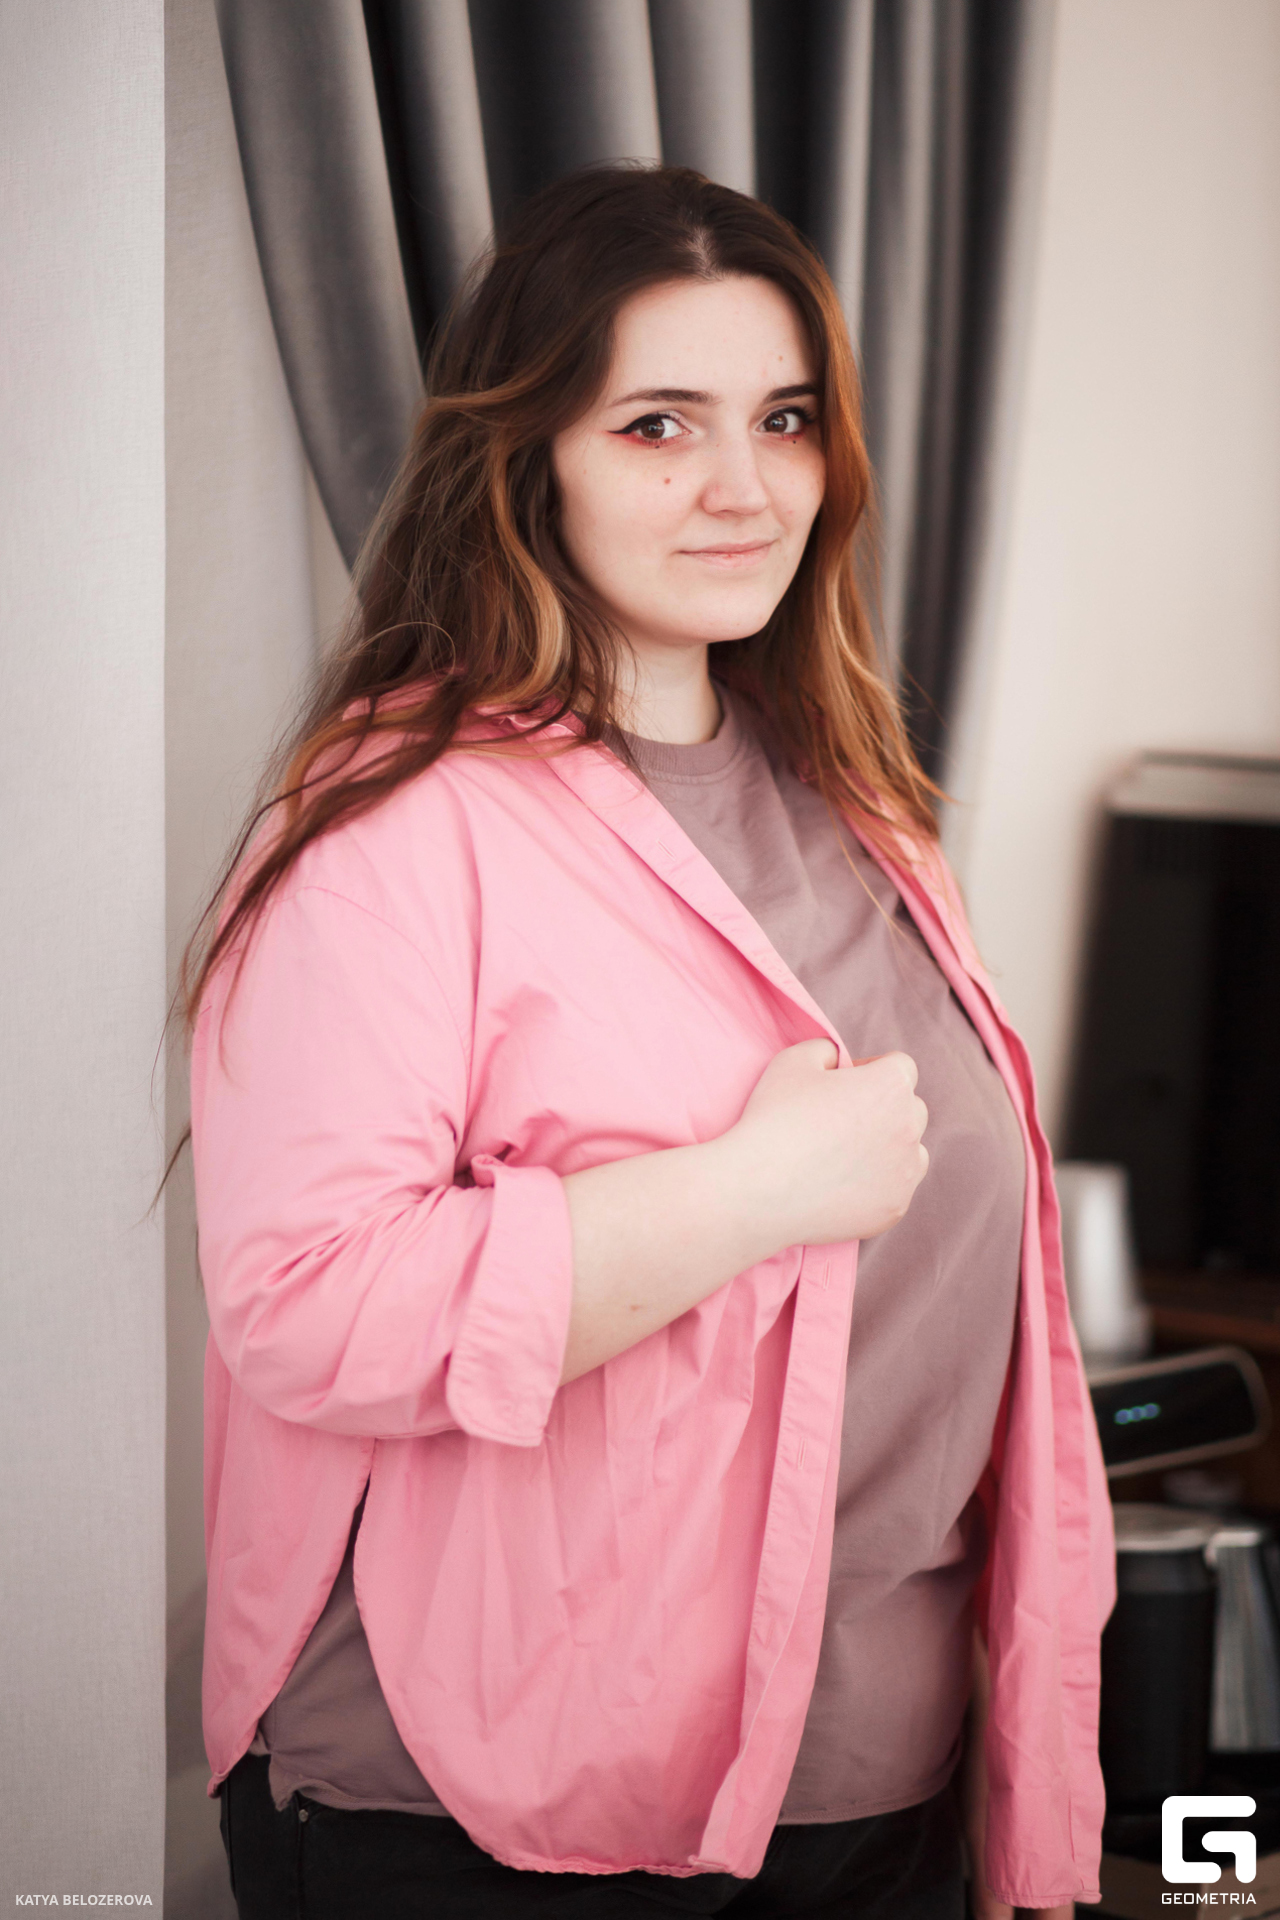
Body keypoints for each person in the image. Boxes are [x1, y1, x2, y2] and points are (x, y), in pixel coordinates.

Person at [187, 165, 1114, 1919]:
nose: (744, 487)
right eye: (658, 426)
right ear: (527, 457)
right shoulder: (390, 826)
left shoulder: (864, 814)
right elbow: (307, 1299)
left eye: (784, 419)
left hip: (878, 1793)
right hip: (490, 1818)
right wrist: (749, 1194)